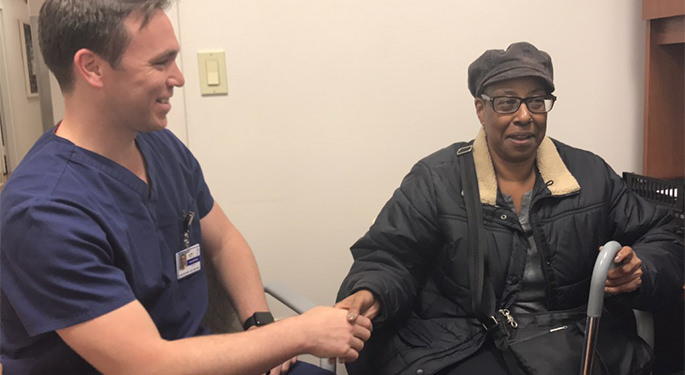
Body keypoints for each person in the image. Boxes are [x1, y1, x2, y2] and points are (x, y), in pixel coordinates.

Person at [0, 1, 371, 374]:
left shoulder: (159, 145)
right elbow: (147, 365)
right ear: (92, 68)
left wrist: (259, 323)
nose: (178, 78)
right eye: (161, 63)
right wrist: (297, 334)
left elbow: (224, 240)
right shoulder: (43, 212)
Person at [335, 41, 684, 375]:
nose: (523, 116)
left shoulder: (590, 174)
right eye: (506, 102)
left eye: (535, 101)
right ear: (480, 108)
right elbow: (392, 256)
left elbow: (661, 237)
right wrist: (371, 291)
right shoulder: (436, 179)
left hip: (570, 343)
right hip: (465, 342)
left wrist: (641, 270)